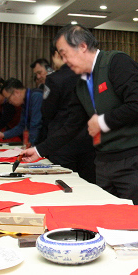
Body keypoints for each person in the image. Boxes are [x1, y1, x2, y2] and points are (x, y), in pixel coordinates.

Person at [22, 25, 138, 210]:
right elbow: (72, 125)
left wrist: (102, 122)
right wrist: (39, 150)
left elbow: (137, 106)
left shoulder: (116, 62)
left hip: (134, 160)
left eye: (64, 53)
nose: (62, 60)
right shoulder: (80, 84)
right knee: (106, 219)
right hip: (103, 163)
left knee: (136, 222)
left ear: (82, 46)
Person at [36, 45, 96, 183]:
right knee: (89, 185)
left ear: (57, 55)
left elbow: (47, 111)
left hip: (62, 141)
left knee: (63, 184)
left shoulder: (54, 78)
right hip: (88, 140)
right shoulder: (87, 75)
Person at [0, 78, 42, 146]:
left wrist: (31, 145)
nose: (9, 102)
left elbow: (35, 125)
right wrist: (3, 134)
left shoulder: (36, 96)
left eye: (8, 98)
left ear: (17, 92)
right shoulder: (25, 102)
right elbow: (22, 126)